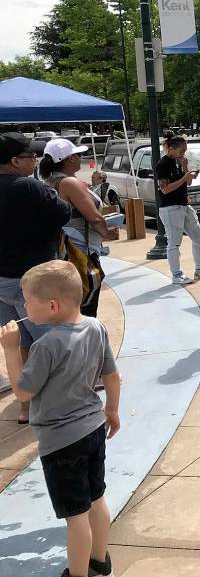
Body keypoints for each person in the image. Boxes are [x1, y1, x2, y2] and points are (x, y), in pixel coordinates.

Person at [0, 260, 120, 577]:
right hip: (93, 429)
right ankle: (100, 559)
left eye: (27, 301)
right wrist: (113, 410)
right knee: (96, 498)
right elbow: (111, 374)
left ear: (52, 305)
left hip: (61, 443)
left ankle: (78, 574)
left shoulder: (46, 345)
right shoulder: (95, 327)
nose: (23, 306)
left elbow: (24, 393)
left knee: (75, 515)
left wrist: (11, 351)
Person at [0, 132, 72, 425]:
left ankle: (26, 405)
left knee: (18, 344)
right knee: (52, 342)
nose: (35, 161)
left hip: (1, 281)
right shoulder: (29, 187)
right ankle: (58, 403)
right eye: (31, 156)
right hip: (34, 280)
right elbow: (63, 213)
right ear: (16, 161)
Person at [40, 138, 117, 316]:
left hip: (62, 248)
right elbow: (95, 218)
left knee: (69, 304)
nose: (81, 158)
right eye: (77, 154)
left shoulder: (50, 181)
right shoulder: (69, 183)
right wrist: (108, 233)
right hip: (80, 249)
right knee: (85, 303)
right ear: (69, 159)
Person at [157, 133, 200, 286]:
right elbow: (164, 189)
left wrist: (185, 167)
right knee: (174, 242)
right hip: (170, 207)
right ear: (170, 149)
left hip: (184, 205)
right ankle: (176, 274)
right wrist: (184, 178)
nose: (183, 153)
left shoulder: (179, 162)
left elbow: (188, 183)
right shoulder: (163, 164)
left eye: (185, 150)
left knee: (198, 237)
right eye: (181, 150)